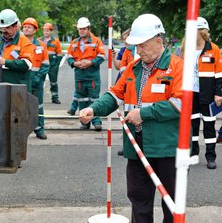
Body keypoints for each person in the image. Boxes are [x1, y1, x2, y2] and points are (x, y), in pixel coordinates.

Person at [80, 14, 183, 223]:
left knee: (171, 203)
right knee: (139, 200)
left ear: (158, 40)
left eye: (142, 45)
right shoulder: (132, 68)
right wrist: (93, 109)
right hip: (137, 147)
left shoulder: (177, 67)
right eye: (136, 46)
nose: (138, 51)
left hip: (167, 148)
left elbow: (180, 104)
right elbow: (115, 95)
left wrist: (142, 114)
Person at [189, 17, 222, 169]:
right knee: (193, 125)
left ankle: (210, 157)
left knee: (209, 125)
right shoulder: (186, 48)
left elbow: (219, 74)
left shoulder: (213, 49)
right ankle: (193, 154)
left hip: (208, 94)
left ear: (201, 32)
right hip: (191, 94)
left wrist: (219, 93)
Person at [67, 17, 105, 130]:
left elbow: (102, 56)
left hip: (92, 76)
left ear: (89, 29)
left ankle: (96, 121)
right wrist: (75, 64)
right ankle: (85, 122)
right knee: (82, 100)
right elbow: (69, 57)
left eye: (83, 29)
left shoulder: (96, 41)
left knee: (94, 100)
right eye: (80, 29)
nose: (81, 31)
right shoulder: (74, 43)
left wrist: (91, 62)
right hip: (79, 76)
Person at [0, 9, 34, 92]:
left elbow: (27, 64)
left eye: (7, 28)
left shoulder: (24, 42)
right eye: (1, 28)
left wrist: (5, 62)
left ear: (15, 26)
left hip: (16, 88)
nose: (4, 31)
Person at [23, 18, 50, 139]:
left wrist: (38, 78)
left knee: (38, 105)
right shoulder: (19, 43)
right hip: (23, 80)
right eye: (24, 27)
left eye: (29, 27)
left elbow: (45, 64)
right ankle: (23, 130)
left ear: (35, 30)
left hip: (37, 81)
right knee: (22, 105)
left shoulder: (41, 45)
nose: (26, 29)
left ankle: (39, 129)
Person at [39, 23, 63, 104]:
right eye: (44, 30)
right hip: (41, 66)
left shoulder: (55, 41)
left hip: (52, 66)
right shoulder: (39, 41)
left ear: (51, 31)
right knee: (39, 82)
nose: (46, 32)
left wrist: (56, 65)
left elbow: (59, 55)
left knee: (53, 82)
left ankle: (55, 97)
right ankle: (38, 97)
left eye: (47, 30)